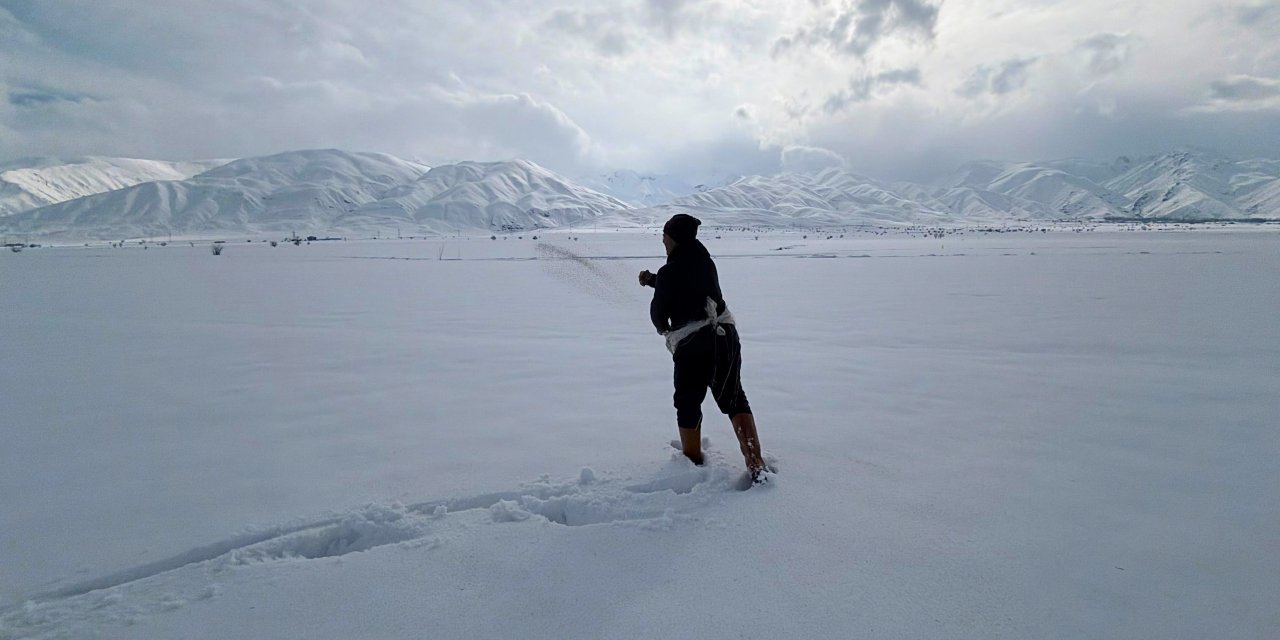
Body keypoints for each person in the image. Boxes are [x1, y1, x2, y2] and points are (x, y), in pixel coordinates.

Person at [639, 213, 767, 482]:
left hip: (693, 346)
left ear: (673, 238)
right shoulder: (706, 262)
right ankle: (755, 461)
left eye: (664, 236)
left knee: (687, 402)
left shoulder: (670, 272)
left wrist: (663, 327)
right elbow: (686, 280)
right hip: (725, 337)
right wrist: (653, 280)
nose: (662, 240)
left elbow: (659, 314)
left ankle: (692, 462)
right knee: (734, 397)